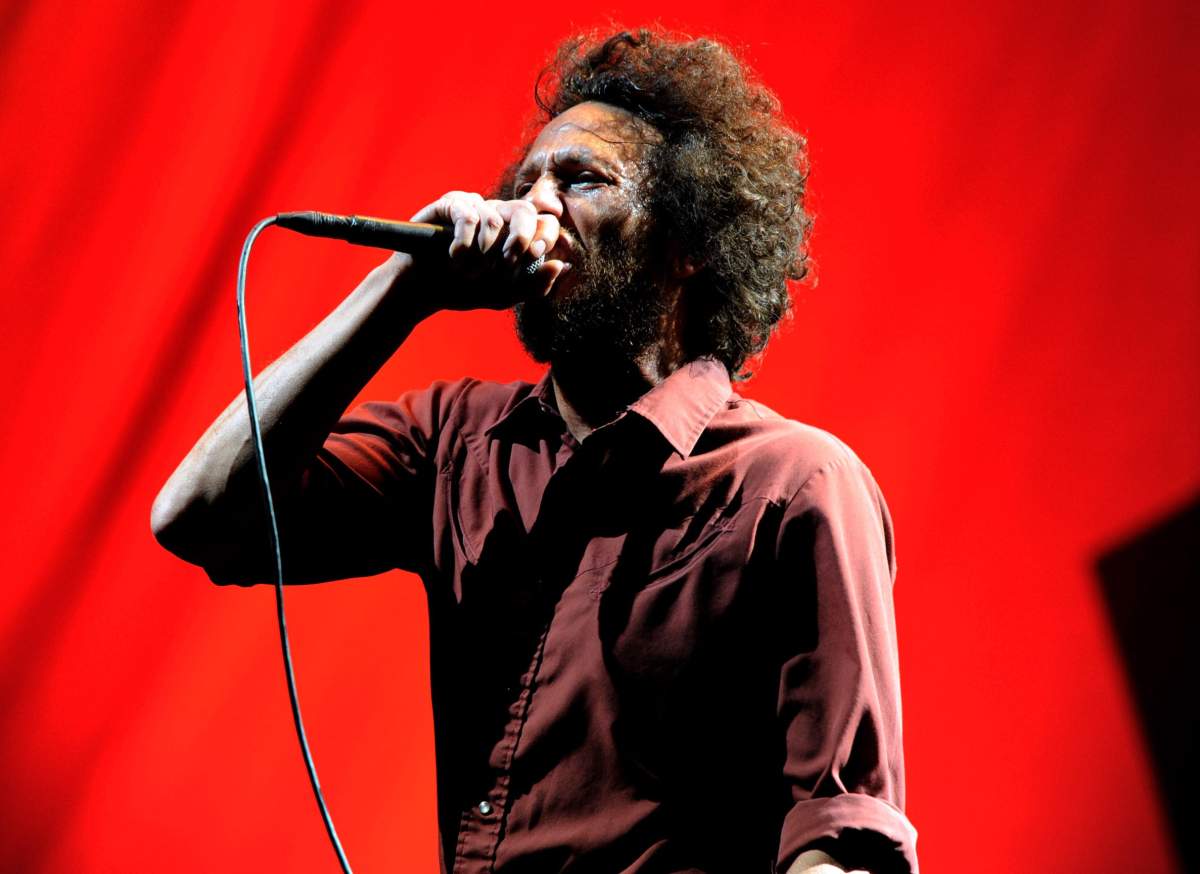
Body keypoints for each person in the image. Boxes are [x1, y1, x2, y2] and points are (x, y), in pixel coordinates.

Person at [151, 30, 918, 874]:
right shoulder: (457, 442)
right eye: (524, 186)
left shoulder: (794, 484)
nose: (535, 207)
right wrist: (406, 285)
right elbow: (199, 516)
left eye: (581, 180)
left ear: (688, 241)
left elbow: (842, 837)